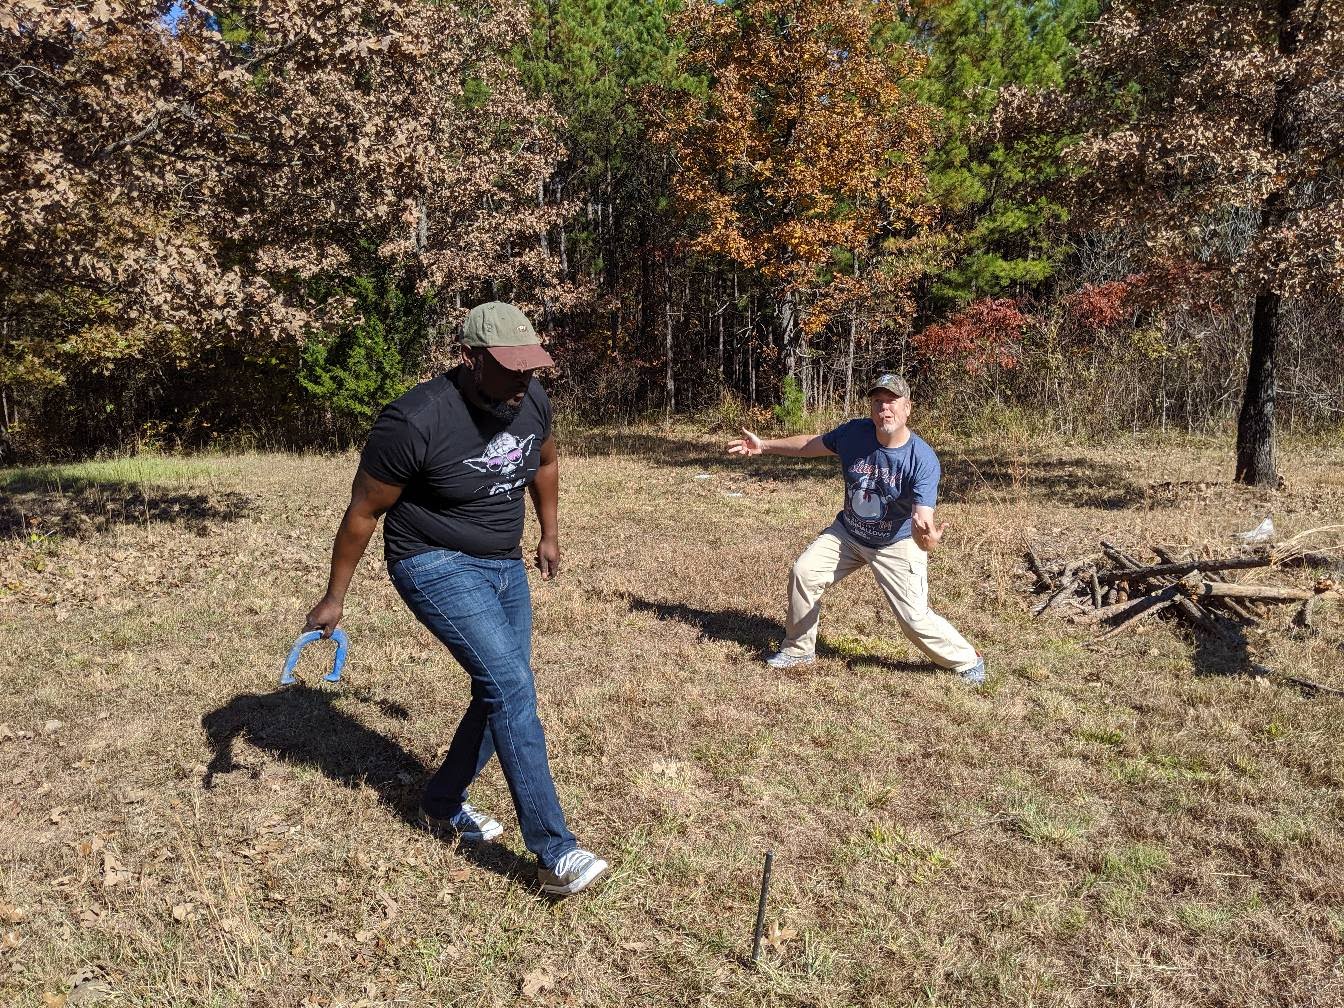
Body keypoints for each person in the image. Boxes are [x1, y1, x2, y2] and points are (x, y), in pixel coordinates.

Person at [304, 301, 608, 896]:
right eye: (510, 367)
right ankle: (555, 853)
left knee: (502, 687)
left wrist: (548, 532)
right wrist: (334, 596)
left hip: (504, 562)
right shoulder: (415, 419)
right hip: (431, 560)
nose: (523, 379)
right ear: (469, 358)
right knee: (512, 686)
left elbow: (544, 463)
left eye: (530, 367)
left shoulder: (531, 398)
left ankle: (441, 803)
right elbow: (363, 512)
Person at [726, 374, 985, 685]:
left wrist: (927, 539)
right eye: (878, 401)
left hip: (895, 542)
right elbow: (810, 444)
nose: (884, 408)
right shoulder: (854, 434)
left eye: (891, 402)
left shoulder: (922, 459)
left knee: (914, 619)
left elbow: (923, 520)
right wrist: (764, 445)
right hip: (848, 533)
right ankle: (798, 650)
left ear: (907, 408)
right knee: (804, 573)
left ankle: (967, 659)